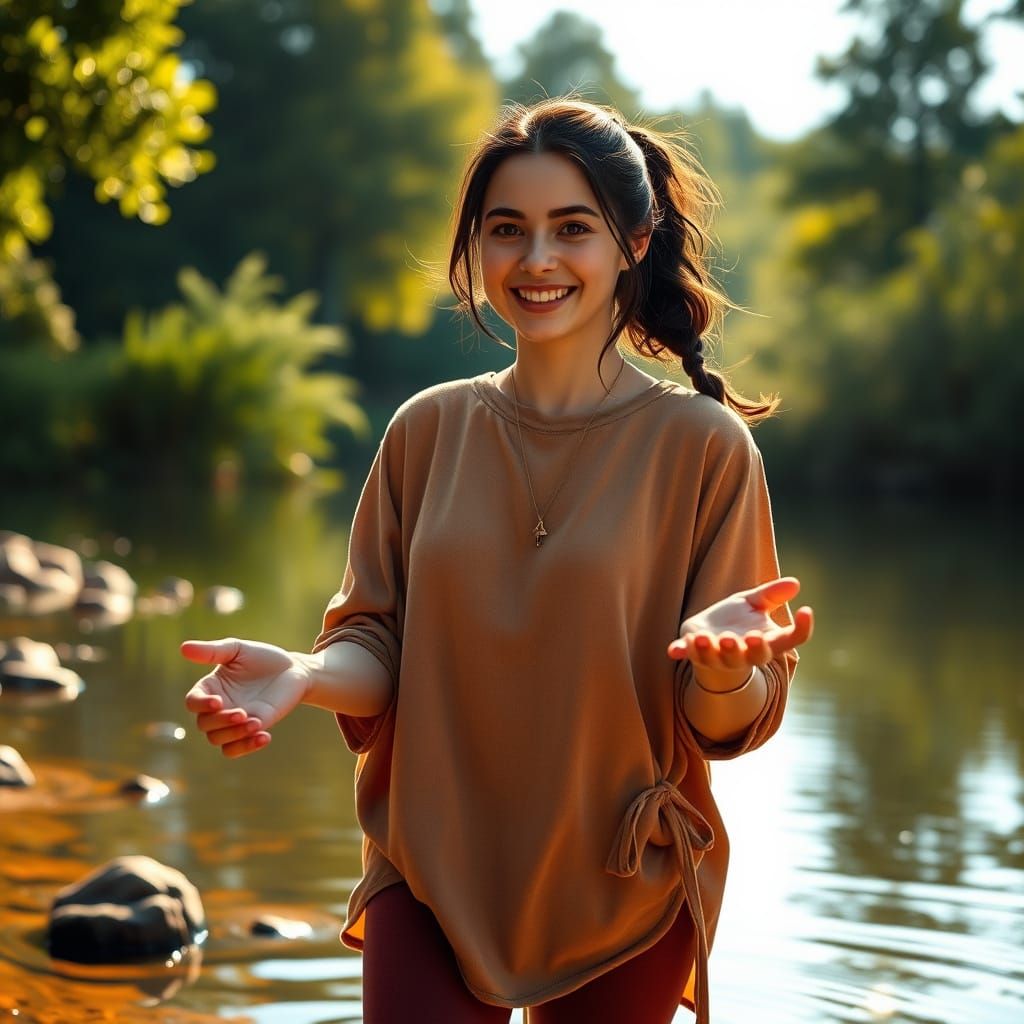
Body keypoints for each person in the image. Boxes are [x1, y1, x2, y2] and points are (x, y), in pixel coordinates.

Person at [182, 97, 814, 1024]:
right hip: (430, 865)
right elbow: (379, 651)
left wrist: (725, 671)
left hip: (623, 878)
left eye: (573, 229)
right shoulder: (426, 430)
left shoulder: (703, 447)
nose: (537, 260)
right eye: (507, 230)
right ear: (477, 246)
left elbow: (728, 723)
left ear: (633, 242)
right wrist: (307, 675)